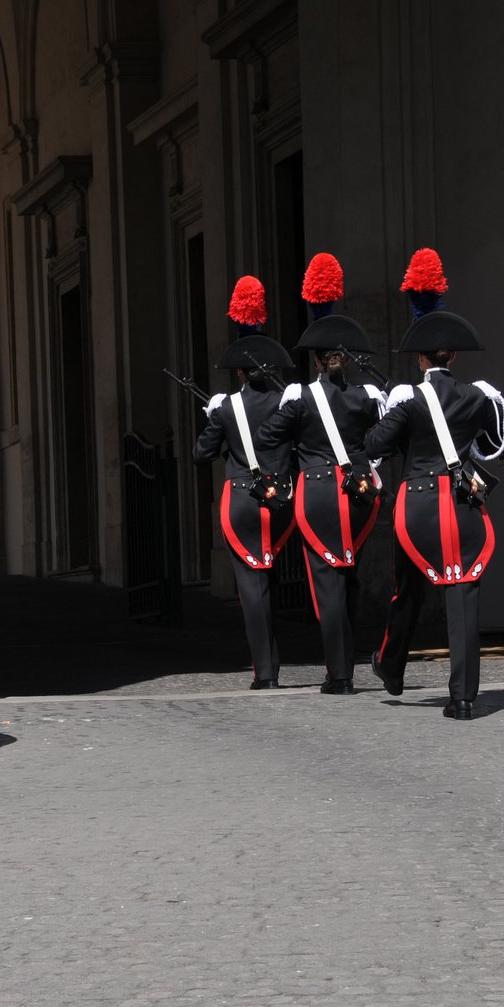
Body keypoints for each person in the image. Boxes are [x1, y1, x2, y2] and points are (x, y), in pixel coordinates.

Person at [365, 250, 504, 719]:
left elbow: (374, 443)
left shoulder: (409, 399)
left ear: (420, 358)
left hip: (416, 507)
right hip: (460, 503)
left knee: (408, 585)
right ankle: (462, 698)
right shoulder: (477, 396)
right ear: (452, 355)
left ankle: (391, 666)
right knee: (463, 592)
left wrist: (396, 416)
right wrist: (477, 446)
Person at [255, 254, 386, 694]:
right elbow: (381, 439)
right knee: (349, 574)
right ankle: (346, 660)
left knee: (326, 583)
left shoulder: (299, 400)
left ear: (316, 362)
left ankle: (340, 673)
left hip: (318, 494)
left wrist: (295, 435)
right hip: (360, 494)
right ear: (344, 361)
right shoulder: (366, 398)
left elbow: (267, 437)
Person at [192, 276, 297, 689]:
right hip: (281, 499)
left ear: (239, 370)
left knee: (251, 586)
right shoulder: (284, 403)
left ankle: (265, 672)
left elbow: (202, 455)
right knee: (269, 576)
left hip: (241, 500)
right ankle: (278, 661)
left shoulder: (226, 408)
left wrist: (214, 421)